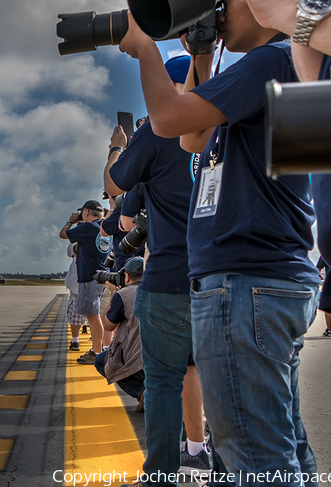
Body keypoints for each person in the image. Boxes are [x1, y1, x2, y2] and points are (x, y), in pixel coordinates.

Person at [119, 0, 321, 486]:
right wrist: (203, 56)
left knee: (253, 456)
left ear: (265, 0)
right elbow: (193, 138)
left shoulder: (271, 60)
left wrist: (145, 47)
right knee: (280, 442)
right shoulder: (283, 62)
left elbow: (168, 120)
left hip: (245, 281)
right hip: (267, 277)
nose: (217, 12)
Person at [204, 0, 331, 322]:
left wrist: (287, 3)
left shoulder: (269, 58)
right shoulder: (328, 18)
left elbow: (172, 123)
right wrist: (301, 6)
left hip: (261, 269)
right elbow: (314, 82)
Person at [104, 56, 210, 485]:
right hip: (219, 274)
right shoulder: (225, 118)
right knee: (214, 375)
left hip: (166, 278)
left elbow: (119, 198)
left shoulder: (158, 131)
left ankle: (162, 473)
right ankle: (207, 454)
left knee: (164, 380)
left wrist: (118, 144)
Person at [94, 257, 145, 412]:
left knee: (101, 360)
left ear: (127, 276)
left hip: (135, 358)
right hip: (163, 356)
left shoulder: (123, 295)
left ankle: (141, 391)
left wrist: (113, 293)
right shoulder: (159, 290)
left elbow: (108, 326)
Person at [59, 200, 108, 364]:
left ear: (86, 212)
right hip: (100, 277)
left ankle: (97, 352)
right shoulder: (104, 229)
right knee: (95, 316)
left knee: (93, 317)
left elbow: (63, 234)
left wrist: (71, 221)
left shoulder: (88, 228)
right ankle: (98, 349)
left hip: (89, 278)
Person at [65, 243, 87, 351]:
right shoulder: (75, 240)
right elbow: (70, 252)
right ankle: (75, 340)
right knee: (75, 313)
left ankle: (99, 343)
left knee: (96, 314)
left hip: (91, 281)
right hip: (77, 283)